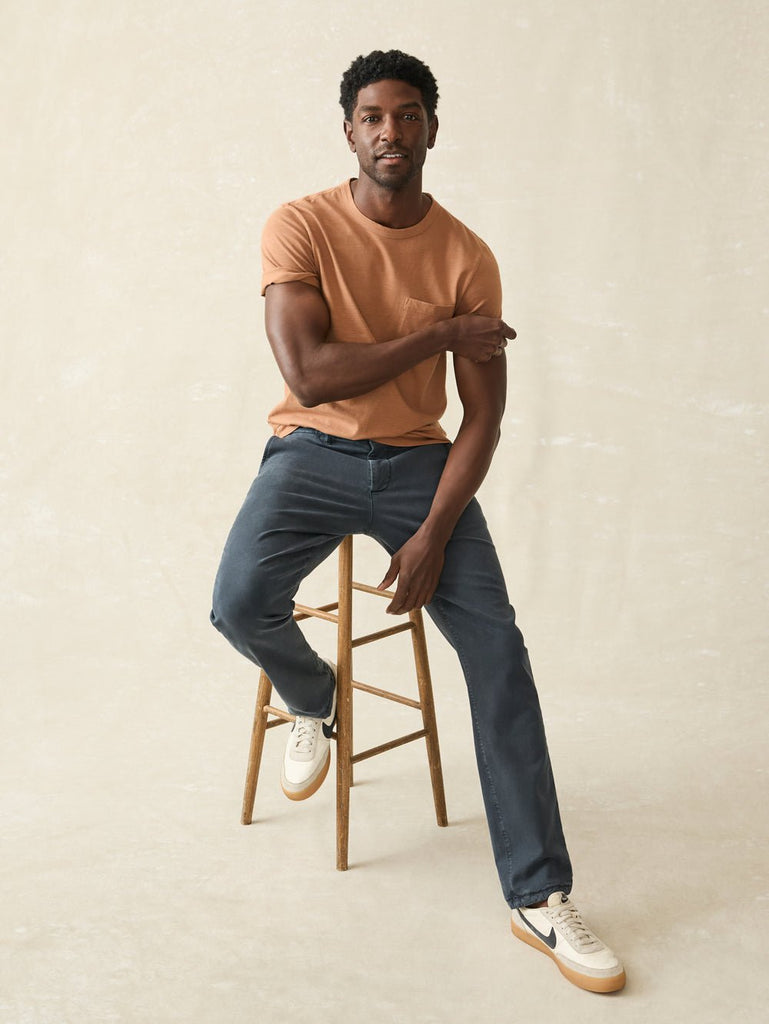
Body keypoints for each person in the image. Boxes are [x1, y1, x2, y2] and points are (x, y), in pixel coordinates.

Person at [211, 49, 626, 994]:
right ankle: (314, 694)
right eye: (371, 116)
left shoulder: (467, 256)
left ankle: (538, 895)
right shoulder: (299, 224)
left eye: (406, 115)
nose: (389, 131)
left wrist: (435, 531)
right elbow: (309, 374)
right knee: (236, 603)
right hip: (310, 451)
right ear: (348, 131)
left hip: (419, 469)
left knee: (499, 655)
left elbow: (483, 416)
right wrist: (438, 333)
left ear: (432, 128)